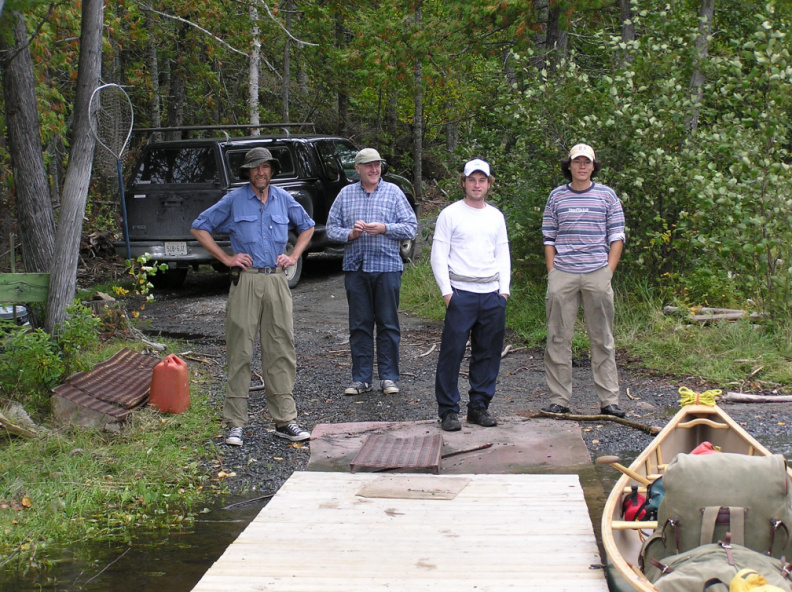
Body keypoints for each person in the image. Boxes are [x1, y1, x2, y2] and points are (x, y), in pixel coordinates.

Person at [190, 147, 315, 446]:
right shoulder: (234, 200)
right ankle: (235, 424)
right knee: (240, 351)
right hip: (245, 281)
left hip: (276, 281)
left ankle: (285, 420)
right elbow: (199, 227)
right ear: (248, 172)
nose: (261, 172)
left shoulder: (284, 199)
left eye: (266, 167)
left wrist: (293, 255)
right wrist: (226, 258)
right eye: (255, 167)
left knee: (281, 349)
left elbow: (308, 226)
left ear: (272, 170)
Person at [541, 143, 626, 418]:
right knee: (557, 337)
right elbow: (549, 236)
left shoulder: (607, 196)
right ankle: (559, 400)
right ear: (569, 165)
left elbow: (617, 235)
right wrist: (553, 272)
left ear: (593, 166)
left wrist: (607, 272)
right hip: (563, 272)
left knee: (602, 338)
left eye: (586, 162)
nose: (581, 166)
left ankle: (609, 401)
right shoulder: (556, 196)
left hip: (597, 272)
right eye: (577, 162)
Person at [326, 148, 418, 397]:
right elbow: (330, 229)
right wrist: (350, 234)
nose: (374, 169)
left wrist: (386, 228)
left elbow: (411, 226)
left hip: (387, 268)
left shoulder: (393, 192)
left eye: (377, 165)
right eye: (368, 166)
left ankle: (388, 377)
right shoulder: (345, 195)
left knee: (388, 325)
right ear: (357, 169)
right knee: (359, 325)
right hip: (356, 269)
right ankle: (361, 379)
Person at [431, 158, 511, 432]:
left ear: (489, 184)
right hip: (460, 293)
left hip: (491, 294)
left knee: (487, 354)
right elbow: (438, 255)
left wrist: (504, 291)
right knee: (452, 353)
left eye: (482, 180)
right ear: (463, 183)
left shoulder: (495, 216)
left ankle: (479, 406)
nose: (477, 185)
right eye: (472, 180)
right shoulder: (450, 214)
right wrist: (447, 293)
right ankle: (448, 411)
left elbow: (503, 253)